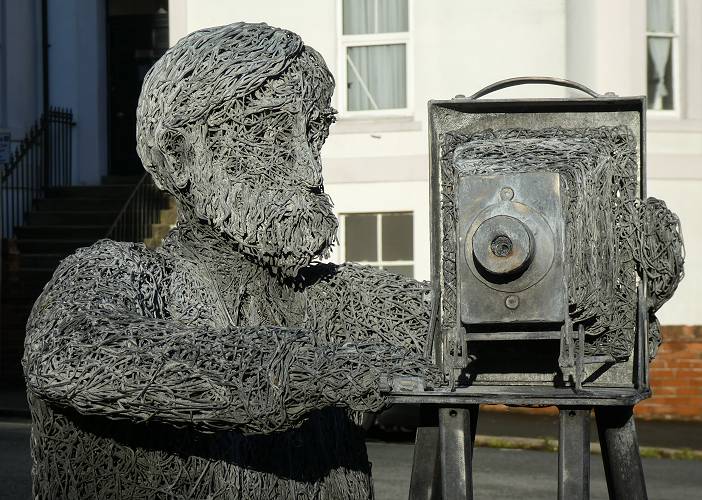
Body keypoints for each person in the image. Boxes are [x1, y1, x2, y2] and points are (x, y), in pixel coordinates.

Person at [23, 22, 434, 499]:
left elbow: (467, 326)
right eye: (268, 133)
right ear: (179, 156)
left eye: (313, 132)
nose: (310, 169)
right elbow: (72, 348)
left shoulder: (326, 298)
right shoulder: (122, 275)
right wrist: (319, 370)